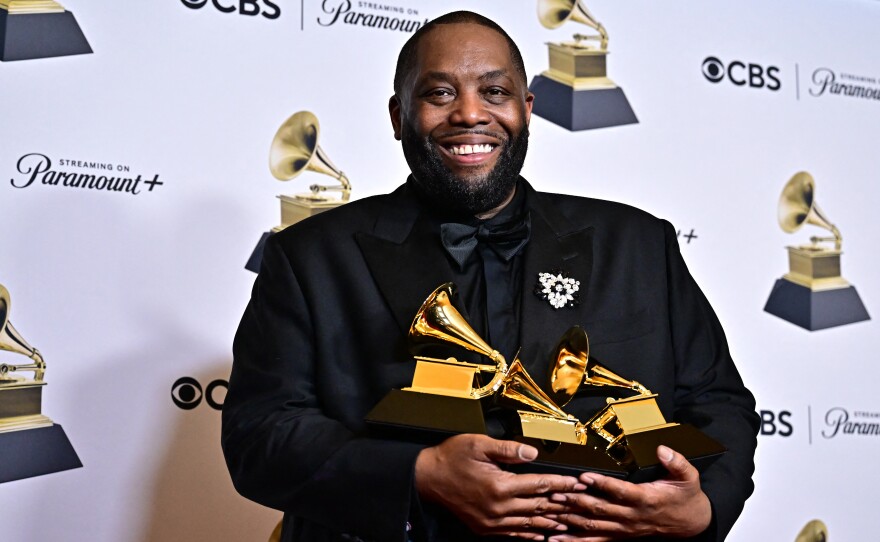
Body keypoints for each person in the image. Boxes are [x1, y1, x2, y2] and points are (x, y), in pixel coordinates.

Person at [222, 10, 759, 542]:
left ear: (526, 110)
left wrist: (704, 509)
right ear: (397, 117)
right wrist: (421, 475)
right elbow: (259, 434)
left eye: (495, 93)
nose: (470, 114)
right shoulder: (310, 256)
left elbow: (718, 403)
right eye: (439, 94)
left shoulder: (641, 243)